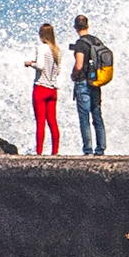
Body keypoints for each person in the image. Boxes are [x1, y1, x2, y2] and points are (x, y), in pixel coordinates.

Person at [70, 15, 107, 155]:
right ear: (87, 25)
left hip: (83, 82)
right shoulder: (96, 41)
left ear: (75, 27)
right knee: (97, 115)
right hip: (95, 81)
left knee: (84, 117)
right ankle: (100, 148)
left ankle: (87, 149)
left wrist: (73, 75)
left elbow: (79, 65)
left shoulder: (80, 43)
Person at [23, 23, 61, 155]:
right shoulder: (56, 50)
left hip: (41, 88)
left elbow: (40, 66)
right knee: (52, 121)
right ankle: (54, 152)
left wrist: (30, 63)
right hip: (53, 89)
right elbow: (58, 70)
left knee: (40, 122)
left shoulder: (42, 48)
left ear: (42, 34)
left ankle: (39, 152)